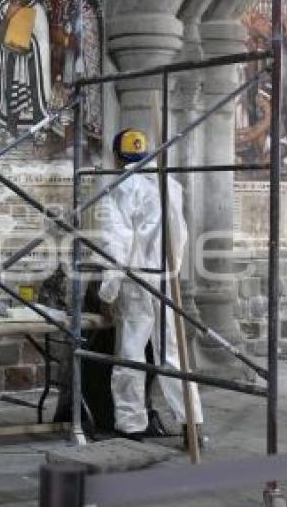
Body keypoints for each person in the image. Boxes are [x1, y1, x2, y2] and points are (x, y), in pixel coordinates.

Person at [97, 129, 204, 445]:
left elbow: (117, 243)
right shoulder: (169, 185)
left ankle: (131, 425)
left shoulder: (118, 187)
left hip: (136, 280)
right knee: (172, 351)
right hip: (166, 276)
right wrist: (174, 270)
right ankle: (192, 422)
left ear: (117, 158)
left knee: (131, 351)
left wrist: (108, 291)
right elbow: (180, 234)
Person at [0, 0, 53, 137]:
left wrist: (29, 44)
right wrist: (8, 17)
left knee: (35, 94)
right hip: (10, 60)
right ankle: (10, 128)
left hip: (31, 64)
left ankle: (39, 131)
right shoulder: (5, 7)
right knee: (10, 93)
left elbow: (42, 44)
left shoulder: (38, 10)